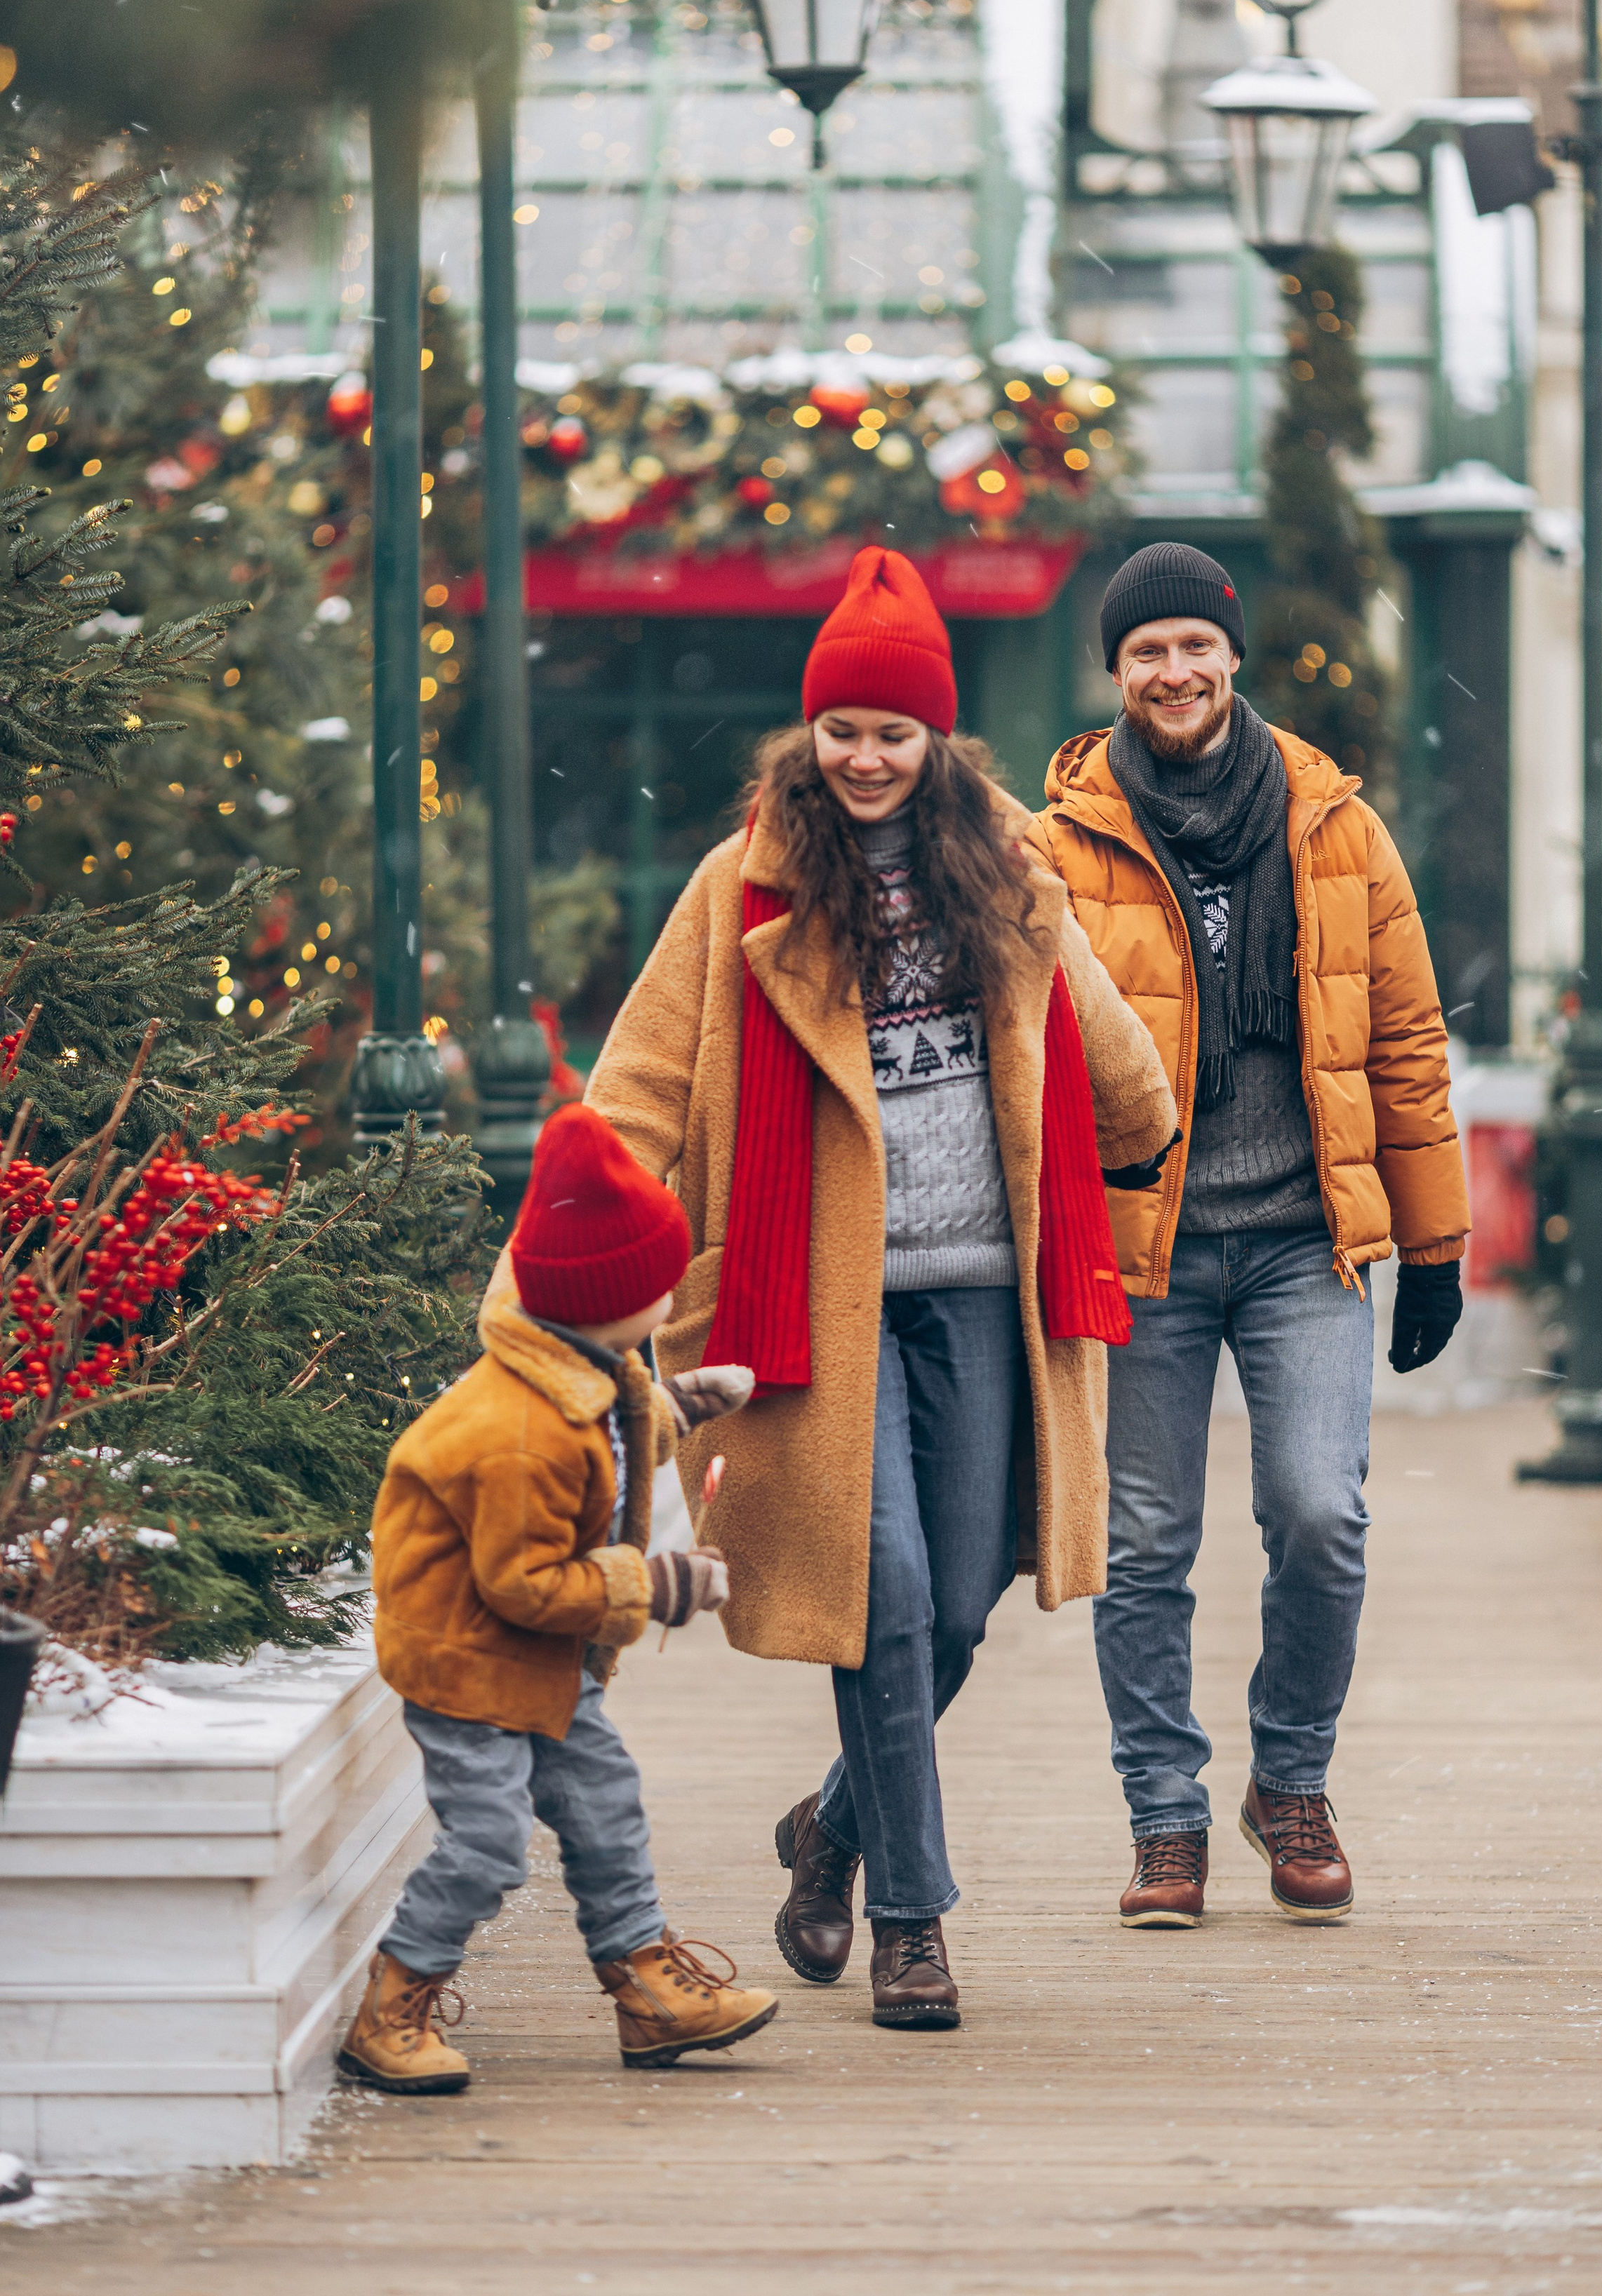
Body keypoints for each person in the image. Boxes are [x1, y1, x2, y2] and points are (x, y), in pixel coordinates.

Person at [572, 544, 1177, 2030]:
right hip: (817, 1293)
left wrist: (1144, 1126)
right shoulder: (743, 888)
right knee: (885, 1596)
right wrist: (585, 1246)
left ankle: (830, 1826)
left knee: (961, 1598)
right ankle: (912, 1918)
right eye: (841, 727)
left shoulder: (1007, 870)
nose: (863, 755)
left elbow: (1099, 1042)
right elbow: (642, 1077)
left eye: (891, 731)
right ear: (811, 733)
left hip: (982, 1287)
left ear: (933, 741)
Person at [1027, 540, 1470, 1928]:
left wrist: (1435, 1243)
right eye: (1143, 651)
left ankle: (1289, 1778)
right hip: (1139, 1243)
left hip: (1299, 1238)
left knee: (1317, 1513)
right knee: (1144, 1543)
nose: (1171, 671)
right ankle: (1164, 1816)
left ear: (1230, 659)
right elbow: (1024, 1052)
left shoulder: (1334, 823)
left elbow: (1400, 1035)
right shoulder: (1060, 840)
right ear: (1116, 674)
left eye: (1191, 646)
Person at [340, 1104, 780, 2094]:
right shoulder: (517, 1430)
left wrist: (677, 1405)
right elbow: (526, 1581)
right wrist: (659, 1583)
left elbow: (608, 1443)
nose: (670, 1297)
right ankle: (391, 2003)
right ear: (605, 1299)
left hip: (542, 1660)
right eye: (657, 1285)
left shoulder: (582, 1366)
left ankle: (649, 1995)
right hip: (467, 1659)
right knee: (490, 1839)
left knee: (604, 1803)